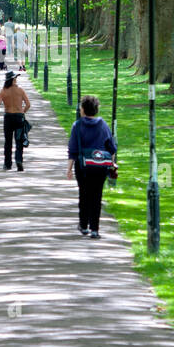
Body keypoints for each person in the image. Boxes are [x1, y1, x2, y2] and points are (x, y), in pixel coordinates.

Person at [66, 94, 117, 239]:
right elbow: (111, 147)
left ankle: (83, 225)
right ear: (96, 109)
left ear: (82, 109)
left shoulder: (77, 125)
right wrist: (111, 165)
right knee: (97, 196)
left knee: (84, 194)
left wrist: (69, 168)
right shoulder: (103, 125)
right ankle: (95, 228)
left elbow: (73, 150)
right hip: (100, 166)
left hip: (83, 167)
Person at [0, 70, 31, 171]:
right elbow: (28, 104)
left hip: (8, 117)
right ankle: (19, 160)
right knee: (19, 141)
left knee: (8, 142)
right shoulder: (20, 90)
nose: (16, 79)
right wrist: (22, 112)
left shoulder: (3, 91)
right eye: (15, 78)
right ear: (12, 80)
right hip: (19, 117)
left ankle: (7, 164)